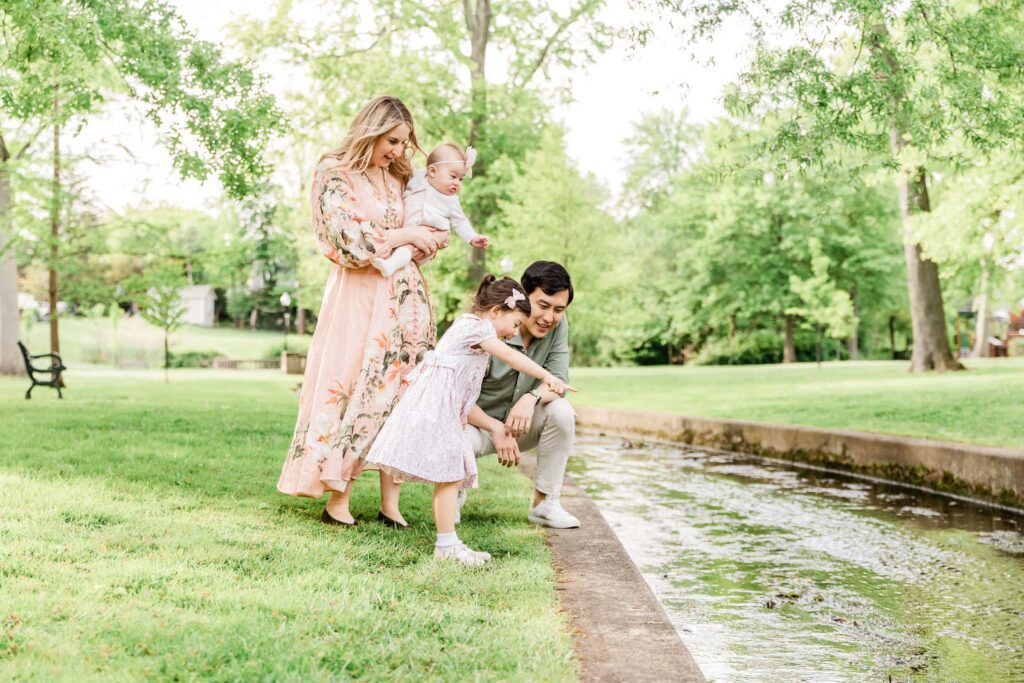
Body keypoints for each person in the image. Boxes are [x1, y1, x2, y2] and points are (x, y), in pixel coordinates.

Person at [277, 95, 448, 527]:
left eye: (404, 144)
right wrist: (406, 233)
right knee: (355, 384)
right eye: (391, 141)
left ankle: (390, 503)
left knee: (398, 392)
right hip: (358, 296)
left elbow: (415, 236)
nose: (397, 151)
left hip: (405, 298)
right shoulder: (334, 172)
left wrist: (424, 238)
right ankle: (338, 498)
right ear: (371, 130)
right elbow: (350, 239)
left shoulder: (398, 178)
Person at [365, 276, 572, 565]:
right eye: (514, 324)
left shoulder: (478, 333)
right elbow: (511, 358)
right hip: (437, 410)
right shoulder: (474, 328)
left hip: (446, 410)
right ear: (496, 311)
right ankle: (446, 545)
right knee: (450, 475)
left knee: (452, 475)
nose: (513, 333)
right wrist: (547, 376)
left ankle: (447, 542)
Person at [466, 261, 580, 528]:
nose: (550, 317)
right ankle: (455, 493)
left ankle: (544, 504)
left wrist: (531, 399)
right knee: (458, 437)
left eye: (559, 310)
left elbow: (559, 380)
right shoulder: (488, 326)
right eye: (543, 306)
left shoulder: (558, 327)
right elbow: (456, 397)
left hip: (521, 426)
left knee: (563, 411)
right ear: (524, 299)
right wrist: (494, 427)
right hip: (477, 425)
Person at [371, 142, 490, 277]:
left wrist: (472, 237)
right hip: (408, 231)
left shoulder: (451, 200)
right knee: (403, 247)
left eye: (461, 179)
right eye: (453, 176)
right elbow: (400, 166)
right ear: (432, 171)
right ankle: (391, 264)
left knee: (408, 248)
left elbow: (460, 221)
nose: (457, 182)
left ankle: (390, 265)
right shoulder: (417, 177)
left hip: (428, 238)